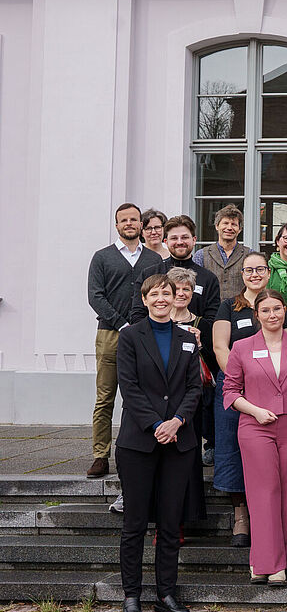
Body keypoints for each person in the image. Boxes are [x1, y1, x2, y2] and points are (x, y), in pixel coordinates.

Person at [114, 274, 202, 612]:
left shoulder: (187, 338)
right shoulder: (130, 336)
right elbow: (129, 387)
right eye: (156, 293)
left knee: (169, 522)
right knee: (134, 523)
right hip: (139, 441)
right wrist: (156, 424)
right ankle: (132, 595)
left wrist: (176, 421)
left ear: (177, 296)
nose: (163, 298)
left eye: (168, 292)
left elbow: (194, 388)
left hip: (179, 440)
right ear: (145, 299)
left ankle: (166, 592)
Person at [223, 290, 287, 586]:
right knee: (263, 493)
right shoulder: (241, 347)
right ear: (257, 314)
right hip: (255, 426)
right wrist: (255, 411)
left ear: (285, 311)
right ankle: (265, 563)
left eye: (277, 309)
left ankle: (277, 562)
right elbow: (230, 392)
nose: (272, 315)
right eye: (266, 310)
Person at [87, 203, 160, 479]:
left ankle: (143, 448)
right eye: (123, 220)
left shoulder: (153, 260)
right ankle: (100, 455)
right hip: (110, 334)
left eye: (134, 219)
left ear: (141, 225)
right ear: (116, 225)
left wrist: (139, 325)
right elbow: (95, 296)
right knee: (105, 397)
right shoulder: (102, 257)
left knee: (143, 394)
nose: (129, 223)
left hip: (146, 335)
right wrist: (122, 323)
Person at [212, 250, 271, 547]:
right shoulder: (228, 307)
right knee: (232, 450)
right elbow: (220, 348)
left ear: (268, 273)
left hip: (270, 389)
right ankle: (241, 517)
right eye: (249, 270)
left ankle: (266, 513)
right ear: (242, 275)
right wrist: (239, 381)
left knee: (264, 453)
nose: (255, 275)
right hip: (234, 388)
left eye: (260, 269)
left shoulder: (276, 305)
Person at [164, 266, 213, 528]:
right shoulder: (156, 321)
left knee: (187, 460)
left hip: (191, 402)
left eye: (186, 289)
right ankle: (164, 521)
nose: (181, 293)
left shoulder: (201, 323)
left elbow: (213, 368)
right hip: (161, 401)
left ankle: (186, 520)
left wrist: (201, 344)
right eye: (176, 289)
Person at [130, 215, 221, 326]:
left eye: (184, 237)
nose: (179, 242)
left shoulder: (208, 279)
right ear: (166, 241)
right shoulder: (149, 274)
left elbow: (213, 320)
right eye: (174, 238)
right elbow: (137, 315)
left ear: (194, 240)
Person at [193, 204, 252, 301]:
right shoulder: (201, 255)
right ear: (217, 226)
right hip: (210, 311)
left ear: (240, 229)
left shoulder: (249, 254)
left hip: (240, 310)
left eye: (234, 224)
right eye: (225, 223)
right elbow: (194, 286)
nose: (229, 228)